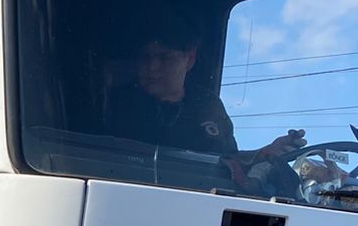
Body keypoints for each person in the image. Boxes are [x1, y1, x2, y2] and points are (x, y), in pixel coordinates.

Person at [106, 11, 305, 190]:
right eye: (145, 57)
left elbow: (226, 159)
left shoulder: (208, 105)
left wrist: (263, 152)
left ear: (189, 58)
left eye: (164, 57)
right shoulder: (118, 102)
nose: (152, 67)